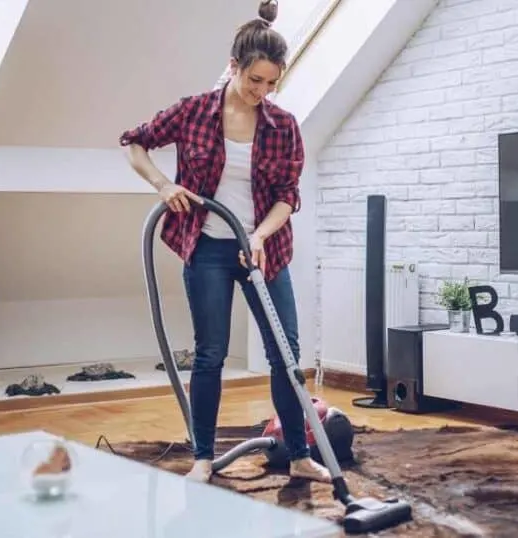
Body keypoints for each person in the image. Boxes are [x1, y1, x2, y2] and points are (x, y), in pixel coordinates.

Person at [118, 0, 330, 485]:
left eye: (272, 83)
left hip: (263, 251)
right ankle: (202, 458)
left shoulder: (283, 126)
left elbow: (287, 197)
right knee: (210, 354)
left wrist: (258, 234)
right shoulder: (193, 112)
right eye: (255, 80)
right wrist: (163, 185)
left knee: (285, 354)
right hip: (208, 248)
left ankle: (298, 455)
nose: (263, 91)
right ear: (233, 66)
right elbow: (135, 141)